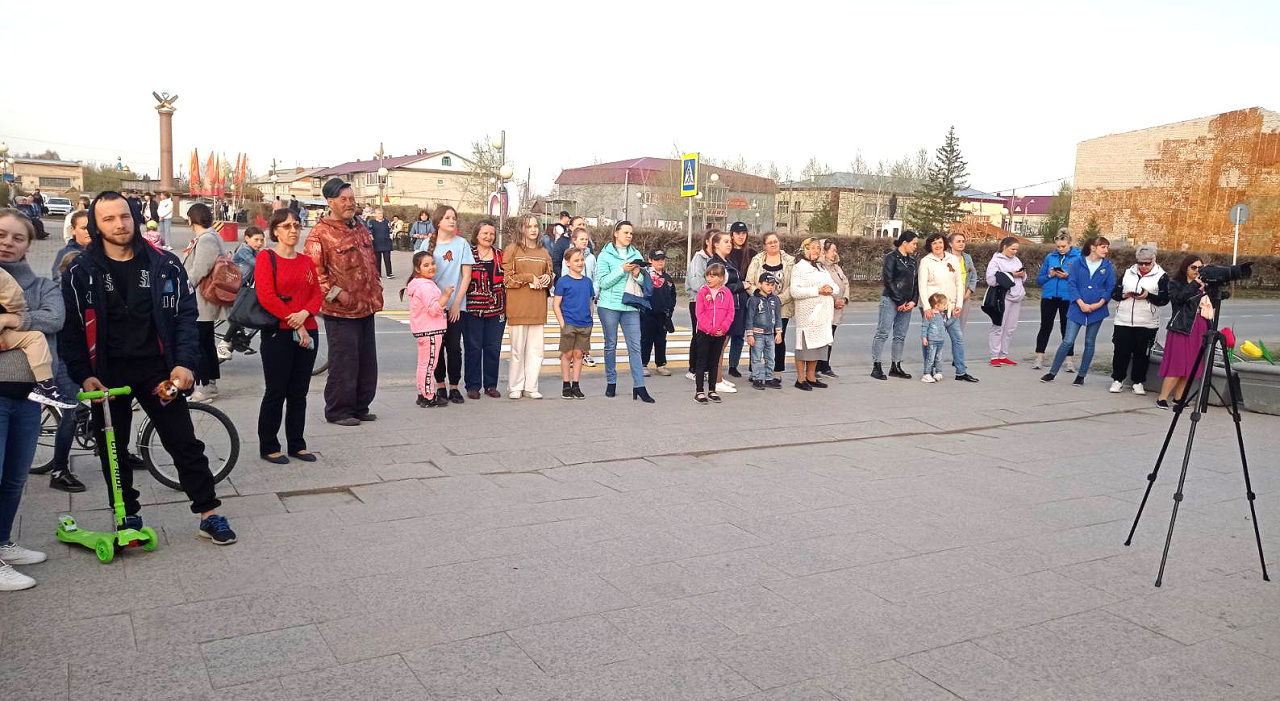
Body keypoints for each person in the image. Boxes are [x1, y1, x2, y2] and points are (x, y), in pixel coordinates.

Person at [59, 192, 238, 546]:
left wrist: (186, 362)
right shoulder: (81, 272)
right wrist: (83, 372)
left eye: (124, 216)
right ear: (96, 225)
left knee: (184, 442)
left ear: (136, 217)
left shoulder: (164, 264)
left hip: (159, 371)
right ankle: (127, 516)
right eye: (108, 219)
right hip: (106, 373)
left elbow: (187, 317)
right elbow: (70, 328)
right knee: (112, 448)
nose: (119, 224)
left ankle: (209, 513)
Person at [0, 209, 61, 588]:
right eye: (2, 234)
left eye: (17, 238)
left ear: (28, 245)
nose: (8, 243)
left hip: (27, 397)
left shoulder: (41, 285)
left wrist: (14, 321)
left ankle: (3, 543)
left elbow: (55, 318)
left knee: (14, 478)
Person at [304, 178, 383, 426]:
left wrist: (376, 288)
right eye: (344, 200)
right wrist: (338, 293)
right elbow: (315, 273)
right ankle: (338, 410)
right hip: (341, 310)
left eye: (351, 199)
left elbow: (370, 262)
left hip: (366, 305)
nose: (350, 204)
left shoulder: (360, 228)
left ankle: (361, 406)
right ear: (330, 202)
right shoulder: (319, 234)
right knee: (344, 362)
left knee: (366, 361)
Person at [254, 209, 322, 463]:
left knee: (299, 392)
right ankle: (268, 444)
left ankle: (297, 443)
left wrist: (304, 314)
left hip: (309, 330)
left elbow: (316, 294)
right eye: (286, 226)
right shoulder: (266, 257)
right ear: (275, 231)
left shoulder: (305, 261)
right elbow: (267, 296)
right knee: (276, 391)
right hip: (278, 334)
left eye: (296, 225)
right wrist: (296, 323)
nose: (292, 230)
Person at [1041, 236, 1115, 386]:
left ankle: (1081, 375)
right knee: (1067, 340)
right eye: (1103, 247)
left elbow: (1110, 288)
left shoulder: (1107, 266)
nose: (1106, 250)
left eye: (1107, 247)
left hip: (1097, 309)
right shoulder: (1078, 263)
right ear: (1093, 247)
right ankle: (1052, 372)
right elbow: (1072, 284)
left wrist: (1099, 304)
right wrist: (1080, 303)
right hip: (1077, 307)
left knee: (1089, 342)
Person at [596, 221, 654, 403]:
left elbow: (642, 283)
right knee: (610, 345)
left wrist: (637, 275)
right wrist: (622, 270)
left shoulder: (636, 254)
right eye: (626, 232)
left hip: (630, 305)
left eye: (631, 233)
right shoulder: (605, 255)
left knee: (635, 346)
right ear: (616, 234)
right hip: (609, 306)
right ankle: (611, 382)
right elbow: (603, 283)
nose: (629, 236)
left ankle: (640, 386)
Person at [424, 205, 473, 405]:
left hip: (456, 306)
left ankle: (454, 387)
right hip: (434, 307)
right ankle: (440, 386)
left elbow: (467, 276)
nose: (452, 221)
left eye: (454, 218)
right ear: (438, 222)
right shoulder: (427, 244)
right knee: (436, 348)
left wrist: (457, 304)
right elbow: (421, 274)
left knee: (454, 347)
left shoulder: (462, 244)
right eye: (447, 218)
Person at [181, 203, 227, 403]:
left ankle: (204, 387)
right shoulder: (209, 236)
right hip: (202, 300)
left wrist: (184, 288)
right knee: (205, 344)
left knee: (200, 345)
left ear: (191, 219)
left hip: (201, 301)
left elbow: (200, 269)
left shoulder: (207, 239)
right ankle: (209, 385)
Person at [504, 214, 553, 399]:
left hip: (537, 307)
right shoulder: (512, 249)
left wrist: (548, 278)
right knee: (517, 349)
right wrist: (528, 278)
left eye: (535, 226)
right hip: (518, 306)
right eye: (528, 226)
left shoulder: (544, 252)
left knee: (536, 350)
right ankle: (515, 386)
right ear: (521, 229)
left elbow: (549, 275)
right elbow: (507, 279)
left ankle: (531, 386)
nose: (533, 230)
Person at [918, 233, 978, 383]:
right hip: (933, 309)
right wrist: (927, 308)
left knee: (958, 339)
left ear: (945, 243)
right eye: (934, 244)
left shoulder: (952, 259)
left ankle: (961, 371)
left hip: (951, 308)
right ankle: (929, 371)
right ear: (930, 246)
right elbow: (922, 286)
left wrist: (958, 305)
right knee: (931, 341)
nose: (938, 246)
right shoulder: (926, 261)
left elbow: (959, 283)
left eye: (940, 242)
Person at [1111, 243, 1168, 396]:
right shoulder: (1128, 272)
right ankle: (1117, 380)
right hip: (1123, 319)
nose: (1143, 266)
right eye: (1140, 263)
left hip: (1147, 322)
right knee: (1120, 351)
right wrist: (1124, 295)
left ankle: (1138, 382)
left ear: (1154, 260)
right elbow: (1115, 293)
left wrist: (1148, 295)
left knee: (1142, 354)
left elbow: (1164, 299)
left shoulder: (1161, 275)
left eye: (1147, 263)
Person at [1156, 254, 1210, 409]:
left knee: (1191, 365)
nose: (1197, 271)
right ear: (1185, 268)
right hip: (1181, 327)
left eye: (1200, 268)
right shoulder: (1175, 283)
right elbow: (1178, 299)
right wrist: (1194, 285)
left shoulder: (1204, 284)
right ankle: (1162, 398)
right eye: (1193, 267)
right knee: (1177, 364)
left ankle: (1179, 398)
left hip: (1199, 327)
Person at [462, 220, 505, 399]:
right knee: (473, 348)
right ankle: (472, 386)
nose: (489, 237)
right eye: (485, 233)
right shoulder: (468, 254)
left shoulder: (500, 255)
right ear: (477, 234)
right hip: (473, 309)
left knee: (493, 348)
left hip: (497, 309)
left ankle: (490, 385)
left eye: (492, 234)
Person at [745, 232, 795, 384]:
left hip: (781, 306)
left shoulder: (789, 260)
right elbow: (749, 282)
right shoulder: (757, 260)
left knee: (778, 339)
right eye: (770, 242)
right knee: (757, 341)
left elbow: (793, 284)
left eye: (776, 241)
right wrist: (759, 296)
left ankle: (775, 373)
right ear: (764, 245)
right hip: (760, 307)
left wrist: (778, 299)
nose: (773, 244)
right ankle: (755, 373)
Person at [790, 238, 839, 391]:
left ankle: (811, 377)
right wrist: (817, 291)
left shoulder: (821, 268)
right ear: (805, 249)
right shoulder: (799, 268)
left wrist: (831, 290)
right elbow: (795, 291)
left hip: (822, 316)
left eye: (818, 248)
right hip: (808, 316)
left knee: (818, 347)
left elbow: (835, 287)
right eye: (812, 248)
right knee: (804, 349)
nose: (816, 250)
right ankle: (800, 378)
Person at [871, 231, 918, 380]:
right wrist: (899, 301)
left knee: (900, 336)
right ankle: (876, 366)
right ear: (905, 243)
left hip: (907, 302)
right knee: (882, 333)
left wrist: (913, 301)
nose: (915, 247)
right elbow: (888, 281)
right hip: (891, 300)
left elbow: (915, 282)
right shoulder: (891, 258)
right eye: (914, 243)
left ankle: (896, 366)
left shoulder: (913, 260)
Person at [404, 252, 448, 408]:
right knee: (429, 365)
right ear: (417, 268)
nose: (431, 267)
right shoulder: (426, 287)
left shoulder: (419, 284)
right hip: (431, 330)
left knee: (423, 364)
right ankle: (429, 396)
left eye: (432, 263)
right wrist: (446, 297)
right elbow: (434, 309)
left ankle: (422, 394)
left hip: (424, 330)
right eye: (426, 265)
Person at [1034, 231, 1081, 371]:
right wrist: (1050, 274)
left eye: (1063, 246)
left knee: (1067, 329)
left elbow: (1081, 279)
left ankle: (1069, 361)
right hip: (1049, 296)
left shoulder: (1078, 257)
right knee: (1045, 327)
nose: (1060, 249)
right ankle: (1039, 358)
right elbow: (1040, 279)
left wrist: (1067, 276)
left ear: (1070, 244)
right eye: (1058, 246)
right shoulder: (1050, 257)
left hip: (1067, 297)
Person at [553, 247, 593, 400]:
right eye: (576, 260)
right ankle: (566, 384)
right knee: (567, 354)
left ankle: (576, 384)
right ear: (568, 263)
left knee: (578, 354)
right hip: (569, 323)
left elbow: (590, 303)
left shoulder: (587, 282)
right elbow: (556, 304)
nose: (580, 263)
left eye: (582, 260)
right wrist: (562, 323)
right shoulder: (563, 282)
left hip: (585, 324)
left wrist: (590, 317)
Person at [692, 262, 734, 404]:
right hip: (704, 333)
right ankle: (699, 391)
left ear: (721, 278)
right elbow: (700, 313)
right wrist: (710, 328)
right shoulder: (703, 292)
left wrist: (723, 328)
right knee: (701, 361)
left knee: (714, 362)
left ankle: (712, 389)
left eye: (713, 276)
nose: (709, 279)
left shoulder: (726, 293)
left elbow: (730, 312)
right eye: (707, 276)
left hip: (720, 333)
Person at [707, 231, 743, 394]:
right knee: (719, 346)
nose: (730, 244)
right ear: (716, 244)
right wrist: (743, 286)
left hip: (731, 306)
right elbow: (718, 286)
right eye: (726, 241)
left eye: (730, 241)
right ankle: (716, 380)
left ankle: (719, 376)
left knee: (723, 345)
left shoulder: (727, 261)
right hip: (720, 308)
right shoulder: (715, 263)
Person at [984, 236, 1028, 366]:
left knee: (1010, 328)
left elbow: (1023, 279)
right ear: (1004, 247)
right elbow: (991, 280)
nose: (1014, 252)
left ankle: (1003, 355)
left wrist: (1022, 274)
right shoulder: (996, 260)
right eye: (1012, 249)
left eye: (1016, 249)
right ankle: (994, 356)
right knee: (999, 326)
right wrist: (1011, 274)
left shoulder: (1016, 260)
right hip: (1002, 297)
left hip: (1017, 296)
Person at [724, 222, 756, 379]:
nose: (741, 236)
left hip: (748, 297)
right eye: (737, 233)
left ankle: (733, 365)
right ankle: (714, 365)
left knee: (741, 334)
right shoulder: (727, 253)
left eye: (743, 233)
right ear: (731, 235)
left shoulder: (751, 253)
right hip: (730, 296)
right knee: (725, 333)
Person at [684, 230, 715, 381]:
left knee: (710, 335)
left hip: (714, 302)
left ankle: (707, 367)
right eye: (714, 239)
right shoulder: (699, 258)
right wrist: (714, 288)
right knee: (699, 335)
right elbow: (696, 284)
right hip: (698, 301)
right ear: (708, 241)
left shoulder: (716, 258)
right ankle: (693, 368)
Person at [816, 239, 849, 377]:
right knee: (820, 338)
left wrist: (844, 299)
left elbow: (845, 283)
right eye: (833, 250)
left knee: (830, 337)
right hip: (826, 308)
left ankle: (825, 365)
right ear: (824, 251)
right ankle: (815, 367)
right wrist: (834, 300)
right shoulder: (819, 267)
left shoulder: (836, 266)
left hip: (837, 309)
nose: (835, 253)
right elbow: (823, 287)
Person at [640, 249, 675, 377]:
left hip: (663, 315)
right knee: (646, 339)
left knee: (661, 340)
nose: (660, 262)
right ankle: (643, 364)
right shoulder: (645, 275)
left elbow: (673, 295)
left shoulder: (667, 277)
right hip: (647, 314)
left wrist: (670, 310)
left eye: (662, 259)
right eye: (657, 259)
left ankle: (661, 364)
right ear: (650, 260)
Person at [746, 272, 782, 390]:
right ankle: (756, 378)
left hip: (770, 334)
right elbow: (749, 318)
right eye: (767, 284)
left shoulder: (775, 300)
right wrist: (750, 335)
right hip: (757, 334)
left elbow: (778, 317)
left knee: (770, 357)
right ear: (760, 284)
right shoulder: (753, 300)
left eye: (772, 285)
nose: (770, 287)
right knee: (756, 357)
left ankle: (769, 378)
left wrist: (779, 332)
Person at [52, 210, 91, 282]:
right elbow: (58, 281)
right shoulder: (65, 253)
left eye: (91, 227)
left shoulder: (104, 251)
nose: (88, 232)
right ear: (73, 230)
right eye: (83, 228)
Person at [920, 293, 949, 383]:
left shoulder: (941, 315)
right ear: (937, 305)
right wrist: (924, 337)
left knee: (939, 358)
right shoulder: (929, 314)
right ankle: (927, 374)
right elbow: (924, 326)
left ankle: (938, 372)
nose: (945, 306)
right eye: (944, 304)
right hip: (932, 340)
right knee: (930, 358)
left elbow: (945, 324)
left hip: (940, 340)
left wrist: (954, 318)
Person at [550, 215, 588, 284]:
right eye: (579, 224)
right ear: (571, 227)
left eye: (583, 224)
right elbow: (555, 263)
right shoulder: (562, 242)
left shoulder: (587, 243)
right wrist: (567, 277)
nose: (581, 226)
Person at [368, 208, 394, 279]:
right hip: (376, 242)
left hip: (386, 242)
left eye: (381, 213)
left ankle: (389, 273)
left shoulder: (386, 222)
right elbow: (369, 230)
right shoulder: (372, 222)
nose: (381, 215)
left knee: (387, 259)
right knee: (377, 259)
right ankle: (378, 273)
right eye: (379, 213)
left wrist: (391, 235)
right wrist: (371, 237)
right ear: (375, 214)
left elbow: (390, 230)